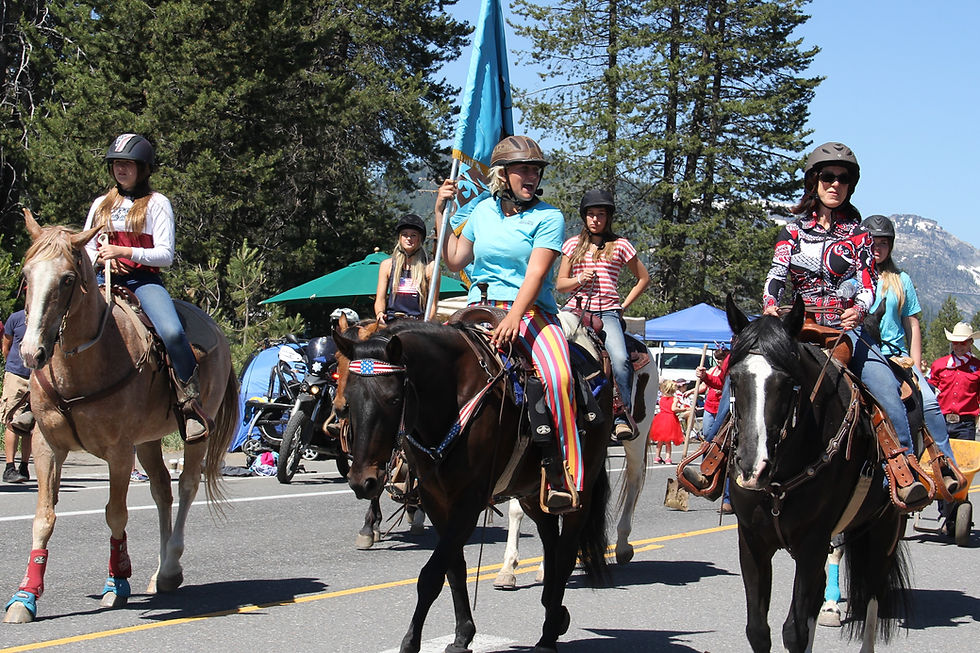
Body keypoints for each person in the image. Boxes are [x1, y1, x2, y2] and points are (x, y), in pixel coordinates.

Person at [685, 142, 927, 506]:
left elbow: (867, 283)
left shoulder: (859, 233)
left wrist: (859, 309)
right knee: (746, 373)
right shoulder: (792, 230)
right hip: (794, 326)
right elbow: (777, 273)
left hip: (844, 329)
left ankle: (902, 465)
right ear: (814, 181)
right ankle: (713, 457)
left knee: (886, 387)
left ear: (850, 185)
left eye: (843, 179)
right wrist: (769, 303)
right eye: (828, 176)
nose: (835, 184)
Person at [434, 135, 580, 512]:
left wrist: (514, 315)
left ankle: (562, 473)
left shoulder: (549, 217)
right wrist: (441, 212)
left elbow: (536, 273)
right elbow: (453, 259)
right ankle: (412, 461)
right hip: (479, 308)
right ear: (503, 175)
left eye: (535, 169)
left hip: (531, 313)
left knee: (559, 377)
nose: (531, 176)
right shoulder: (481, 210)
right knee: (428, 367)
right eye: (523, 169)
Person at [82, 133, 212, 442]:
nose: (121, 170)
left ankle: (189, 404)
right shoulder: (101, 204)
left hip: (143, 281)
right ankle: (38, 399)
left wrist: (125, 253)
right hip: (102, 278)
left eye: (128, 165)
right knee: (59, 318)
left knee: (172, 332)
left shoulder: (157, 203)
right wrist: (100, 261)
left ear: (143, 168)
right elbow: (87, 246)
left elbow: (165, 255)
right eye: (116, 165)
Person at [863, 214, 961, 492]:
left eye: (884, 243)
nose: (878, 248)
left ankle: (944, 467)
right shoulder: (854, 279)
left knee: (929, 403)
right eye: (873, 242)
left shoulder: (900, 279)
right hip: (864, 356)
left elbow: (912, 325)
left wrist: (916, 367)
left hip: (896, 357)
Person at [556, 189, 650, 440]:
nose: (595, 219)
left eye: (600, 214)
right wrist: (578, 278)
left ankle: (622, 415)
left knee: (619, 359)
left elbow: (643, 278)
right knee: (555, 352)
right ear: (584, 217)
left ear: (608, 218)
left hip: (607, 311)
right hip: (574, 309)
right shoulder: (572, 244)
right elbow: (560, 284)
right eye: (590, 214)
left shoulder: (621, 245)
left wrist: (623, 306)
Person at [374, 214, 435, 323]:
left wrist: (427, 324)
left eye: (413, 235)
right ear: (399, 238)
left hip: (417, 322)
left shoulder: (430, 267)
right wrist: (379, 313)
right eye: (404, 235)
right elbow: (380, 299)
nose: (408, 238)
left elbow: (433, 304)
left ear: (420, 238)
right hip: (392, 320)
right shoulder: (387, 265)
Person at [929, 322, 980, 442]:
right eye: (955, 343)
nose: (958, 347)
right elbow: (930, 391)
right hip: (940, 421)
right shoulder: (939, 365)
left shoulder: (978, 367)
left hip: (966, 424)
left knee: (964, 460)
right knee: (938, 459)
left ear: (971, 342)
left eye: (963, 343)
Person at [2, 309, 33, 483]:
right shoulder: (15, 318)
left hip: (36, 376)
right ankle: (9, 467)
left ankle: (24, 466)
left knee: (29, 423)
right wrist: (13, 368)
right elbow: (6, 346)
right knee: (11, 420)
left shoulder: (46, 316)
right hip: (16, 374)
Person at [648, 379, 688, 464]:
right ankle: (668, 458)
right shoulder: (674, 399)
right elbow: (673, 409)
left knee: (660, 440)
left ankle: (657, 457)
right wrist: (682, 409)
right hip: (670, 419)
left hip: (661, 418)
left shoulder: (661, 399)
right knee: (668, 441)